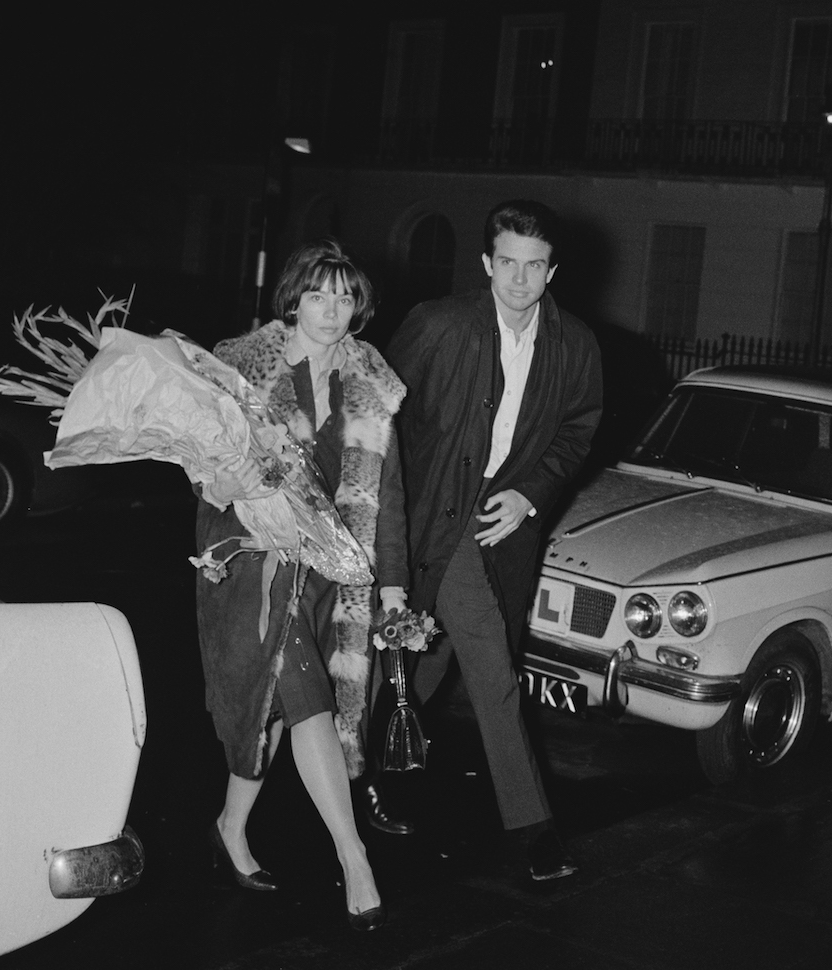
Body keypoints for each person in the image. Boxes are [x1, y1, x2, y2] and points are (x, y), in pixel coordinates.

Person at [384, 199, 603, 881]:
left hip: (497, 529)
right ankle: (534, 827)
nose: (519, 280)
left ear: (552, 270)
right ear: (486, 263)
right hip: (427, 520)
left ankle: (371, 772)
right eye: (507, 263)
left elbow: (578, 431)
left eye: (534, 266)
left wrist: (532, 492)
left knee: (426, 658)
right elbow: (377, 413)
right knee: (491, 670)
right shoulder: (440, 325)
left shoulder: (575, 346)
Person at [194, 238, 408, 930]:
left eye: (345, 296)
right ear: (292, 299)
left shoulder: (371, 385)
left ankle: (230, 824)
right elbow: (202, 466)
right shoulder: (239, 370)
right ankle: (355, 858)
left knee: (275, 710)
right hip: (255, 562)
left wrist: (395, 587)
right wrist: (218, 480)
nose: (331, 309)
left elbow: (390, 498)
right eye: (318, 294)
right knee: (308, 696)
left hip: (329, 572)